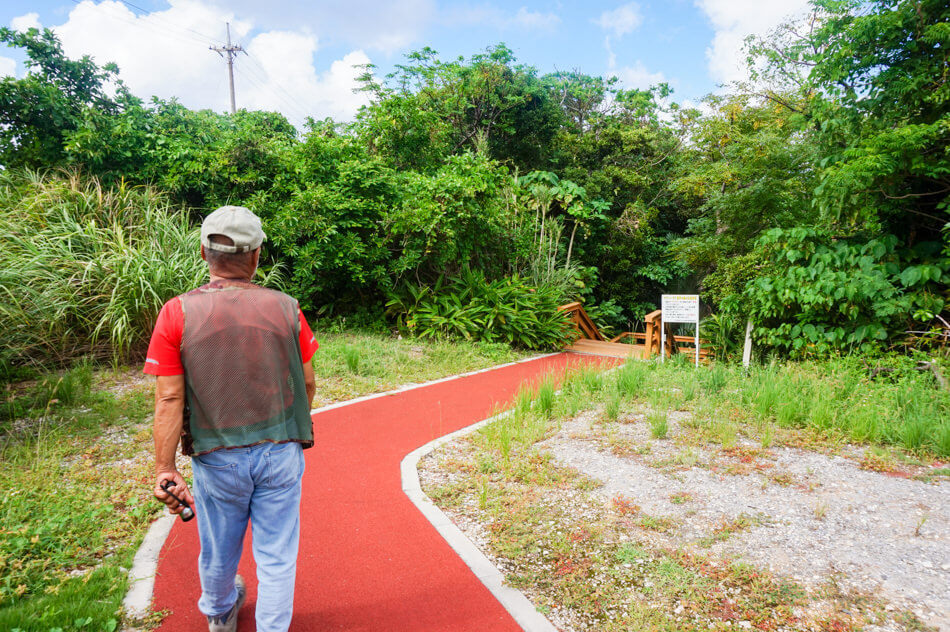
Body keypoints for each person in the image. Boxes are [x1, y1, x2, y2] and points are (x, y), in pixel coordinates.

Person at [144, 205, 318, 632]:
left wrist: (165, 469)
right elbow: (307, 383)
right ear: (257, 255)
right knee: (277, 554)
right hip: (280, 450)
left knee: (218, 549)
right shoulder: (287, 308)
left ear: (204, 253)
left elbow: (169, 398)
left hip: (217, 457)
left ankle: (220, 616)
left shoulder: (176, 313)